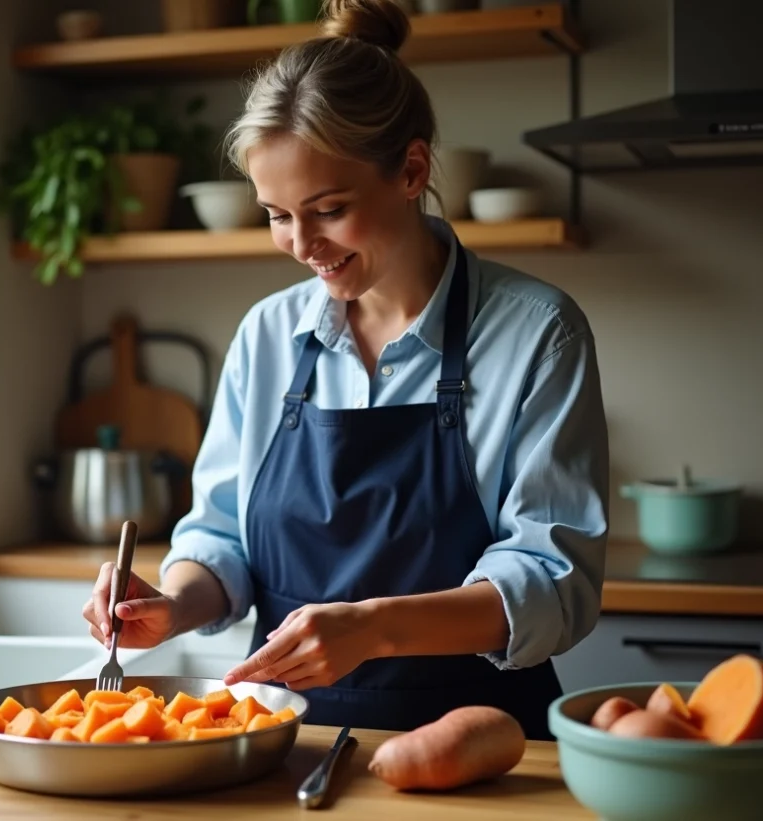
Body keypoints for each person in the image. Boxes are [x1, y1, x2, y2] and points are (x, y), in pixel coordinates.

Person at [81, 0, 609, 741]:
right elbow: (222, 538)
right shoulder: (268, 335)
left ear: (412, 170)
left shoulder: (538, 333)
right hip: (284, 746)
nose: (301, 245)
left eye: (327, 209)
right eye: (277, 214)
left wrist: (375, 629)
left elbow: (554, 581)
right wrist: (170, 606)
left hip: (482, 746)